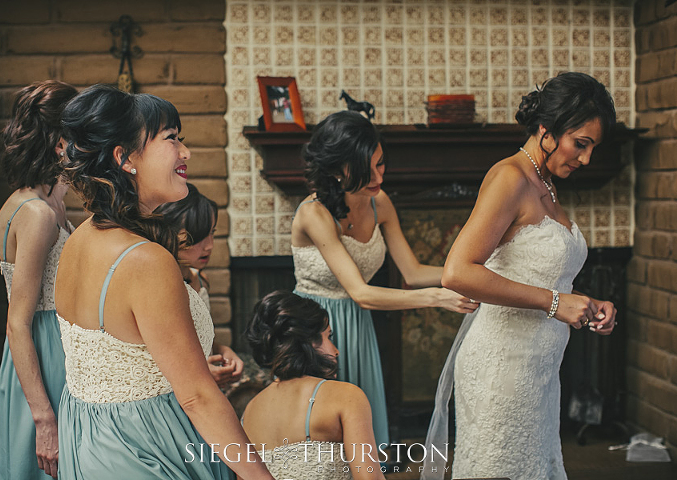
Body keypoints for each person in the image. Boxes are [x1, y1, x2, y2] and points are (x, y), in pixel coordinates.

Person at [55, 84, 274, 480]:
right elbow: (197, 396)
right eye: (172, 139)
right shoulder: (146, 260)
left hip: (90, 441)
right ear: (125, 158)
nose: (185, 153)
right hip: (147, 446)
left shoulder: (79, 240)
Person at [422, 72, 618, 480]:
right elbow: (457, 272)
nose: (586, 159)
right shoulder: (509, 177)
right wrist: (555, 303)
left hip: (539, 373)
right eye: (580, 144)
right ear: (547, 130)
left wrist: (585, 302)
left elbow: (537, 273)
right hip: (502, 369)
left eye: (592, 148)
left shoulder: (545, 180)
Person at [291, 110, 478, 447]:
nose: (378, 176)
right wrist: (437, 297)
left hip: (357, 325)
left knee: (361, 429)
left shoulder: (380, 203)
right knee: (327, 434)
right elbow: (360, 292)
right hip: (313, 329)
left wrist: (471, 276)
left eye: (380, 164)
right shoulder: (313, 213)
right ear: (336, 170)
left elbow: (413, 271)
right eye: (367, 169)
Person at [0, 80, 77, 480]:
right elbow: (17, 321)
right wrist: (43, 417)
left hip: (57, 352)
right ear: (61, 141)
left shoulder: (51, 203)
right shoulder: (36, 215)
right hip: (42, 360)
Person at [242, 291, 386, 480]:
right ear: (307, 342)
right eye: (329, 337)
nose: (336, 351)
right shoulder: (346, 397)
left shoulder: (250, 412)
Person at [155, 183, 243, 388]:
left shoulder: (201, 280)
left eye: (211, 233)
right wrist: (200, 372)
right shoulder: (160, 288)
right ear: (169, 233)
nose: (209, 245)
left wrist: (222, 350)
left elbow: (200, 341)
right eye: (198, 237)